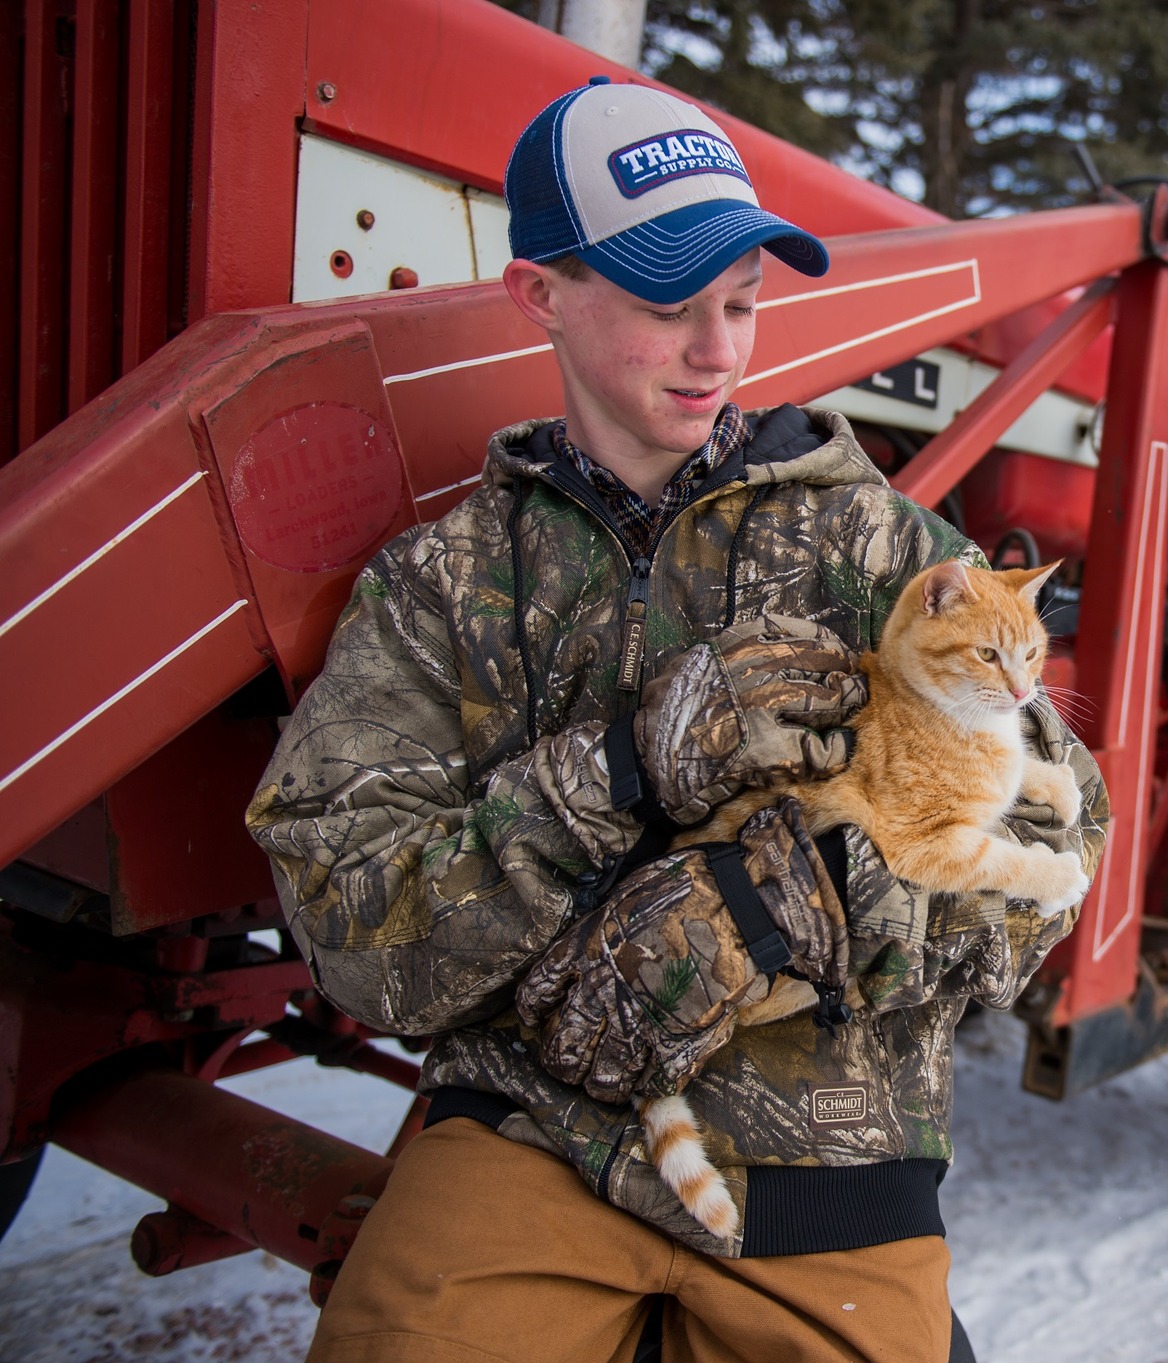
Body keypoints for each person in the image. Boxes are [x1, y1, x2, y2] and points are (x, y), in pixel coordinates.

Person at [246, 77, 1105, 1363]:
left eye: (742, 303)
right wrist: (617, 771)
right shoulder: (447, 585)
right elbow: (348, 923)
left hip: (827, 1171)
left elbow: (1068, 835)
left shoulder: (882, 552)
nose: (717, 350)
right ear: (539, 291)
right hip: (532, 1135)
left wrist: (814, 903)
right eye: (666, 305)